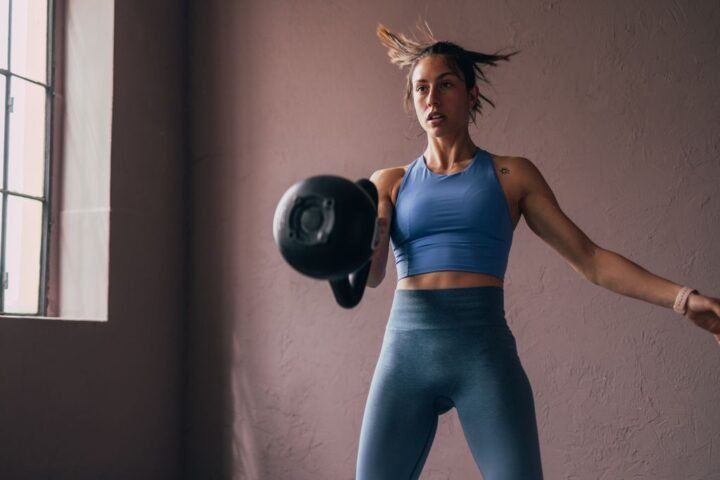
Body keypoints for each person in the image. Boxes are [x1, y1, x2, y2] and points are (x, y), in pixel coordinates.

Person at [357, 22, 720, 480]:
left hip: (483, 359)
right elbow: (369, 277)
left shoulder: (512, 175)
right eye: (421, 89)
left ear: (471, 94)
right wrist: (374, 227)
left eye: (446, 85)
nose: (432, 99)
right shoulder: (389, 181)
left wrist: (684, 300)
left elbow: (590, 259)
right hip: (404, 357)